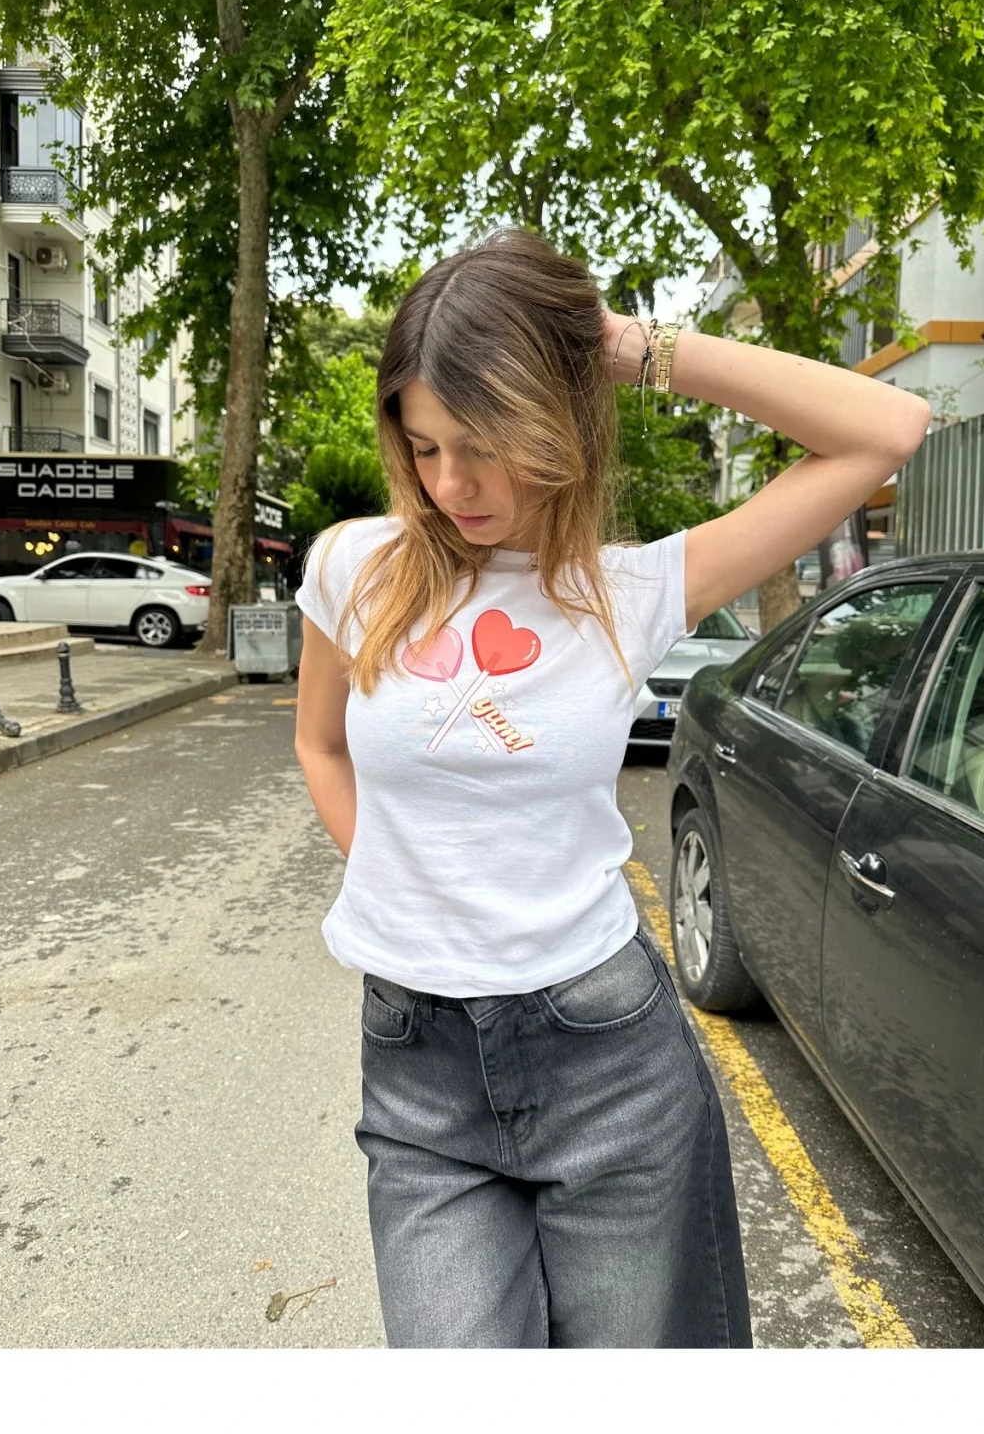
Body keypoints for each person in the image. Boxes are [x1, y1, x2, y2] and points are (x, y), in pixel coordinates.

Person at [293, 227, 930, 1349]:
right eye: (425, 446)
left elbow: (886, 430)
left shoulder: (627, 590)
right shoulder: (355, 568)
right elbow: (322, 749)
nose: (450, 483)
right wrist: (409, 880)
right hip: (416, 1070)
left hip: (604, 1058)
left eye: (483, 444)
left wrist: (621, 345)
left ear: (557, 422)